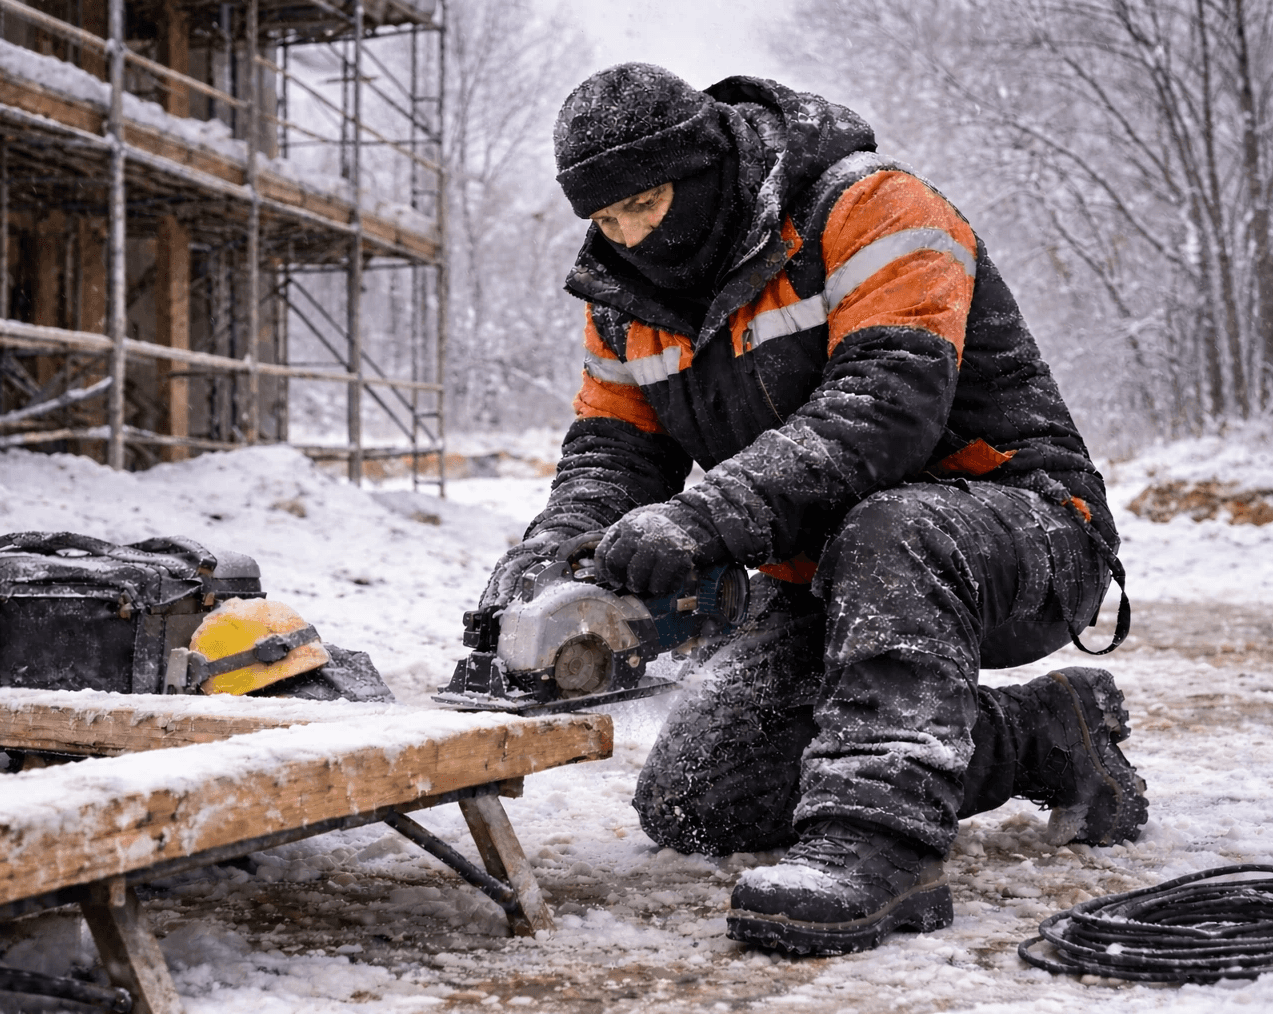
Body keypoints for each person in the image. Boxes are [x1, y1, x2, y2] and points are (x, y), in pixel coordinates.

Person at [479, 63, 1147, 956]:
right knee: (704, 801)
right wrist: (562, 547)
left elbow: (887, 406)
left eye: (647, 202)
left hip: (1020, 530)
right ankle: (1043, 737)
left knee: (894, 525)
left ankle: (882, 852)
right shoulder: (623, 306)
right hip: (825, 572)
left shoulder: (871, 208)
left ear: (706, 164)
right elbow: (614, 453)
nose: (634, 235)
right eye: (606, 219)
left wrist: (705, 517)